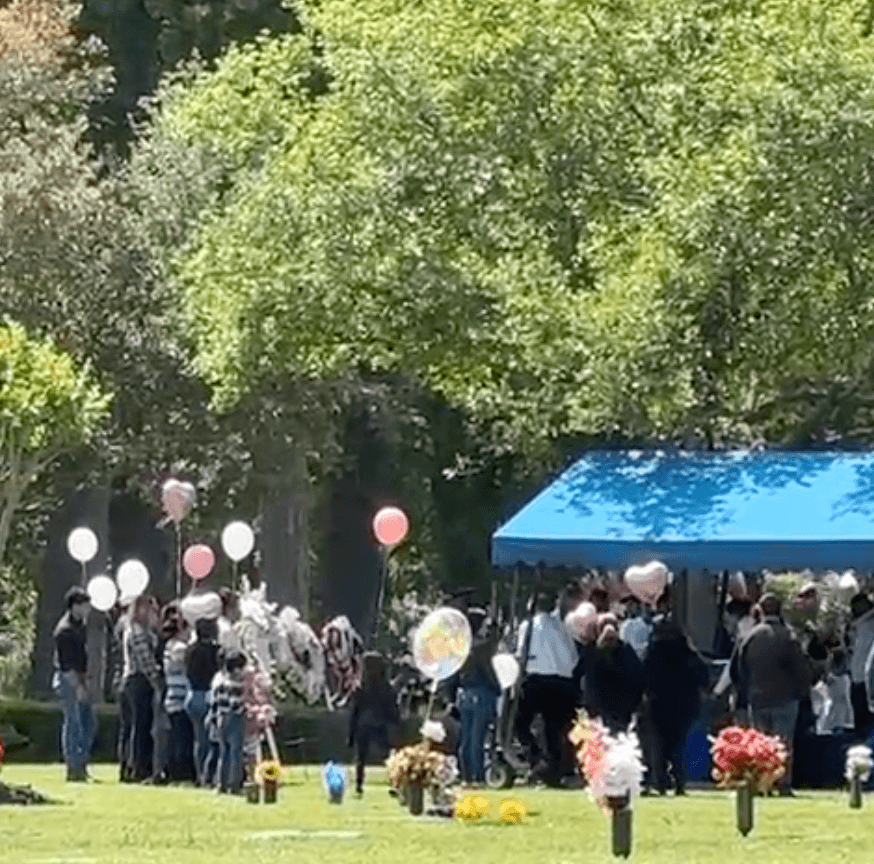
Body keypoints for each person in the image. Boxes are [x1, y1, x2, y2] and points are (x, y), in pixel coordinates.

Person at [731, 593, 812, 796]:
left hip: (757, 698)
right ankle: (783, 784)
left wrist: (744, 692)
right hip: (785, 699)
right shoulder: (788, 636)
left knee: (760, 745)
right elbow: (801, 668)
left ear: (761, 610)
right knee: (783, 743)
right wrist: (802, 691)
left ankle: (761, 783)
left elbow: (738, 669)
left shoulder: (750, 636)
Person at [514, 591, 579, 787]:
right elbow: (573, 656)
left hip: (538, 678)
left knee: (519, 722)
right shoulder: (562, 626)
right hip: (563, 681)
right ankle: (555, 769)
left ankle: (535, 756)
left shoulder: (529, 626)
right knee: (555, 728)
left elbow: (522, 655)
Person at [642, 610, 710, 795]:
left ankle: (661, 781)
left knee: (660, 746)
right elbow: (703, 675)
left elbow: (645, 677)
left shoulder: (654, 652)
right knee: (679, 745)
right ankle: (679, 781)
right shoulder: (687, 652)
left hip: (659, 704)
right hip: (684, 706)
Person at [52, 586, 95, 782]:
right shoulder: (65, 631)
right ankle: (73, 767)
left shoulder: (80, 626)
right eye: (84, 605)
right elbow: (66, 665)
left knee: (88, 723)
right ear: (74, 606)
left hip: (80, 676)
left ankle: (81, 763)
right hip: (68, 678)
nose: (88, 608)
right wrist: (78, 687)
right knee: (73, 724)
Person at [455, 608, 501, 785]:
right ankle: (479, 776)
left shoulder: (462, 647)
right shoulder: (481, 647)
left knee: (466, 737)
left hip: (465, 693)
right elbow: (488, 670)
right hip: (481, 693)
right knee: (478, 738)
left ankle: (466, 774)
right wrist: (497, 687)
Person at [579, 613, 645, 735]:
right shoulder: (626, 649)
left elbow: (582, 677)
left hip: (600, 710)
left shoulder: (590, 651)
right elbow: (638, 676)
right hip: (624, 708)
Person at [120, 595, 163, 782]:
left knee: (132, 727)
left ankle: (129, 767)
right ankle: (138, 768)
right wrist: (156, 680)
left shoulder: (138, 630)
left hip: (132, 680)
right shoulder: (137, 631)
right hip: (138, 680)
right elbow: (145, 660)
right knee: (140, 726)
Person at [347, 651, 401, 797]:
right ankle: (395, 783)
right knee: (389, 756)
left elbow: (354, 712)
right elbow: (393, 708)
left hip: (363, 725)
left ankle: (359, 784)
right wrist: (395, 723)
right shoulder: (387, 687)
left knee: (360, 758)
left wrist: (351, 735)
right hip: (383, 725)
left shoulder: (360, 687)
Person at [185, 617, 221, 786]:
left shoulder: (190, 650)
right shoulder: (215, 651)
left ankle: (199, 774)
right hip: (208, 694)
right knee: (213, 739)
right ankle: (211, 775)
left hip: (192, 694)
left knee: (199, 740)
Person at [163, 610, 195, 783]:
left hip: (172, 695)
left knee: (176, 736)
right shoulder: (179, 648)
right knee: (182, 738)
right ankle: (180, 773)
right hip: (180, 697)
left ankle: (174, 771)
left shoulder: (168, 646)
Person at [209, 648, 247, 794]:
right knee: (235, 752)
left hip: (220, 717)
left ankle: (221, 783)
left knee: (223, 752)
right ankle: (234, 784)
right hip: (234, 718)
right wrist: (244, 709)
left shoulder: (220, 681)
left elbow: (214, 702)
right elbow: (235, 704)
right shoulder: (235, 684)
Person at [848, 593, 874, 740]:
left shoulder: (865, 624)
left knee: (864, 716)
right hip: (859, 676)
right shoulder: (857, 625)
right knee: (863, 716)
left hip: (863, 676)